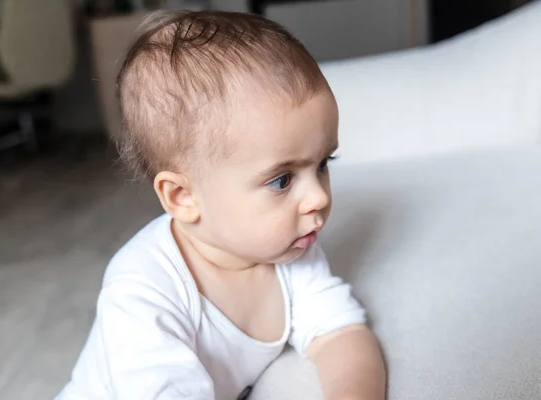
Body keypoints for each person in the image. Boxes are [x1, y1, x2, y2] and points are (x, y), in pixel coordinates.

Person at [56, 10, 385, 400]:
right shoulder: (143, 291)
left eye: (323, 164)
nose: (319, 198)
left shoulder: (291, 251)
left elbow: (341, 334)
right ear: (184, 197)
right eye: (282, 180)